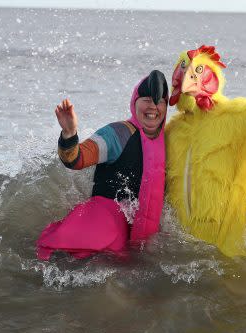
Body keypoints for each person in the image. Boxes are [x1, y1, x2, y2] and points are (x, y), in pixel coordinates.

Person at [37, 70, 169, 260]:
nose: (154, 107)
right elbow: (75, 159)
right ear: (134, 103)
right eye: (146, 99)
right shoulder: (118, 134)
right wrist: (69, 134)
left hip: (135, 233)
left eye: (160, 101)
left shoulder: (168, 142)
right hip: (102, 221)